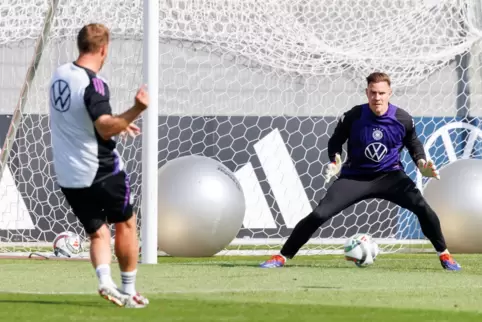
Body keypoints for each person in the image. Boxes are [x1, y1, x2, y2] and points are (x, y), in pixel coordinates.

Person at [259, 72, 461, 271]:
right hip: (355, 178)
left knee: (423, 209)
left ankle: (444, 255)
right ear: (367, 93)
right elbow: (335, 140)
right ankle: (282, 255)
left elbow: (413, 143)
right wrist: (335, 159)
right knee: (319, 214)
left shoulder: (403, 118)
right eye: (373, 93)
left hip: (390, 177)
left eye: (382, 93)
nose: (377, 98)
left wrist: (421, 163)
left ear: (390, 93)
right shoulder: (353, 116)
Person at [49, 23, 150, 307]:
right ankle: (129, 291)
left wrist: (121, 122)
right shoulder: (94, 83)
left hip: (68, 174)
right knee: (127, 224)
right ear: (104, 49)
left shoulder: (59, 74)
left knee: (98, 232)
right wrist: (135, 111)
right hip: (100, 169)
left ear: (80, 45)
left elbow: (85, 119)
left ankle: (106, 282)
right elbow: (104, 127)